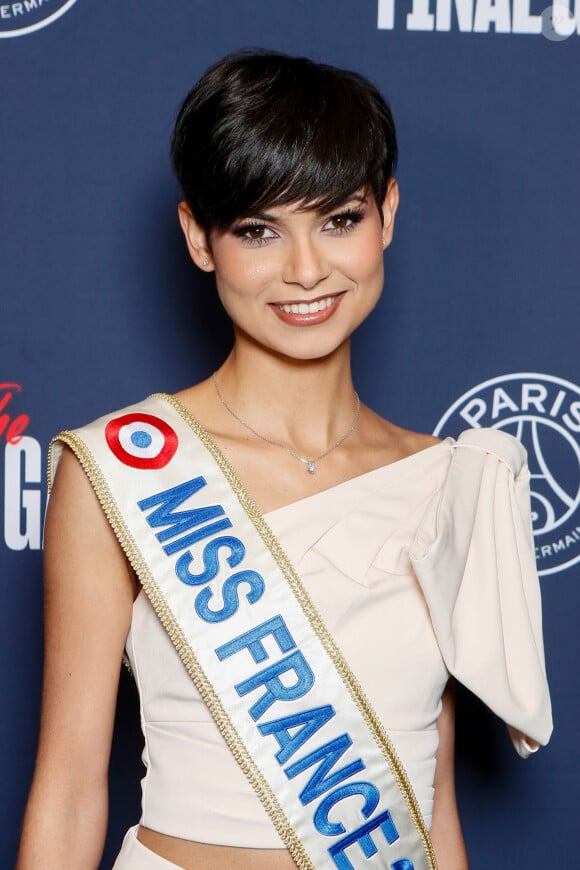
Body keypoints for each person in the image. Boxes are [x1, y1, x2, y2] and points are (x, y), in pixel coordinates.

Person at [17, 50, 552, 870]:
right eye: (258, 230)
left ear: (388, 215)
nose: (306, 270)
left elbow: (430, 796)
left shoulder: (450, 477)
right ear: (200, 238)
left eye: (339, 219)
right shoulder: (118, 470)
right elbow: (70, 787)